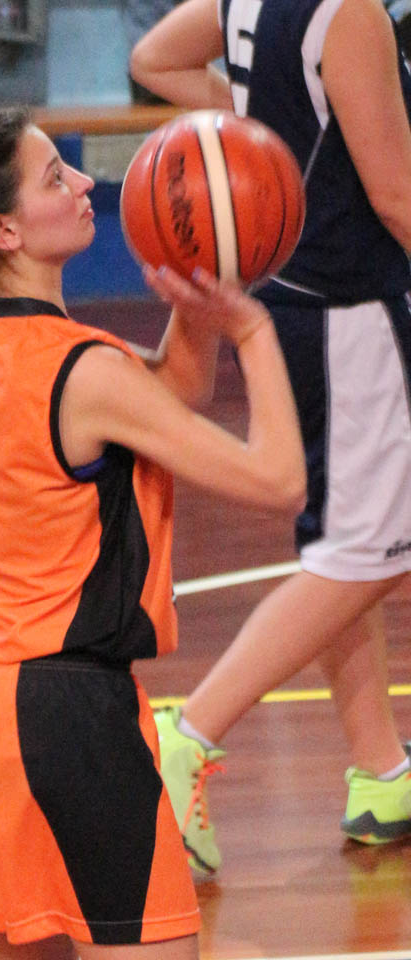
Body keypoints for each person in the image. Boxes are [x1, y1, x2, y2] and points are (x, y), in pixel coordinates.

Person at [0, 107, 304, 958]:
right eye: (53, 178)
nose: (83, 182)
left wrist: (198, 291)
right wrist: (253, 331)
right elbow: (279, 479)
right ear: (2, 229)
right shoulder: (86, 372)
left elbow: (167, 395)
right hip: (61, 717)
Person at [129, 0, 411, 875]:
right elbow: (398, 195)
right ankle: (191, 733)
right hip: (352, 313)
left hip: (287, 302)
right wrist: (274, 140)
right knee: (368, 553)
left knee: (343, 546)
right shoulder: (350, 11)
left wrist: (264, 135)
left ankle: (381, 771)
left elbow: (154, 57)